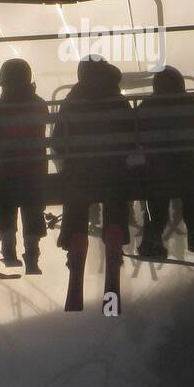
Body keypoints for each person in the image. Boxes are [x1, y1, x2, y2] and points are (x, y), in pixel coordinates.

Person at [51, 56, 134, 312]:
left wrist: (66, 167)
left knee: (75, 205)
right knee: (116, 200)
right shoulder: (118, 101)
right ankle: (113, 244)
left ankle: (75, 255)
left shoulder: (70, 103)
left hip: (78, 174)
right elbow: (133, 136)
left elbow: (56, 143)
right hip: (115, 172)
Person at [134, 64, 194, 264]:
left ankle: (153, 235)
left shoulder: (146, 107)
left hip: (155, 170)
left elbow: (135, 137)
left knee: (153, 196)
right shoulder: (190, 103)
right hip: (187, 169)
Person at [0, 58, 50, 275]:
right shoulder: (39, 104)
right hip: (35, 170)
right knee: (33, 207)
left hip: (7, 170)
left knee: (5, 205)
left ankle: (8, 249)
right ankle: (32, 253)